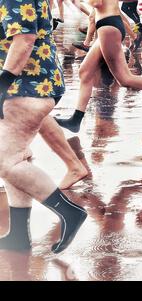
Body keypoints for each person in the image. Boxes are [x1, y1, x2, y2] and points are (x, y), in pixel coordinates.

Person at [0, 0, 87, 252]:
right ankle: (18, 234)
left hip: (29, 86)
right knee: (14, 159)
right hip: (25, 85)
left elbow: (25, 38)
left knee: (5, 161)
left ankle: (69, 213)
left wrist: (2, 85)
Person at [55, 0, 142, 133]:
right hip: (108, 24)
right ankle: (76, 120)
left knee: (124, 78)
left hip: (108, 26)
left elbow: (97, 3)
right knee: (85, 71)